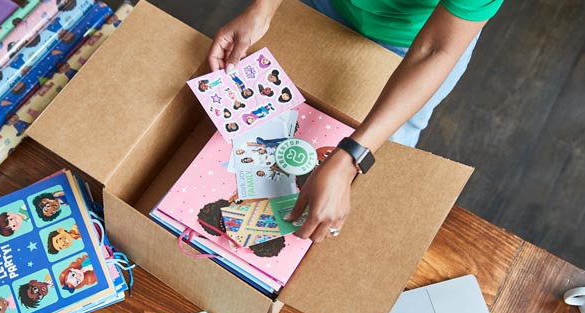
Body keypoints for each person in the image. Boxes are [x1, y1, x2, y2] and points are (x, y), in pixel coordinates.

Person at [208, 0, 501, 242]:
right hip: (322, 7)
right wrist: (262, 8)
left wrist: (353, 157)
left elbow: (436, 48)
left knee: (385, 159)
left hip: (417, 43)